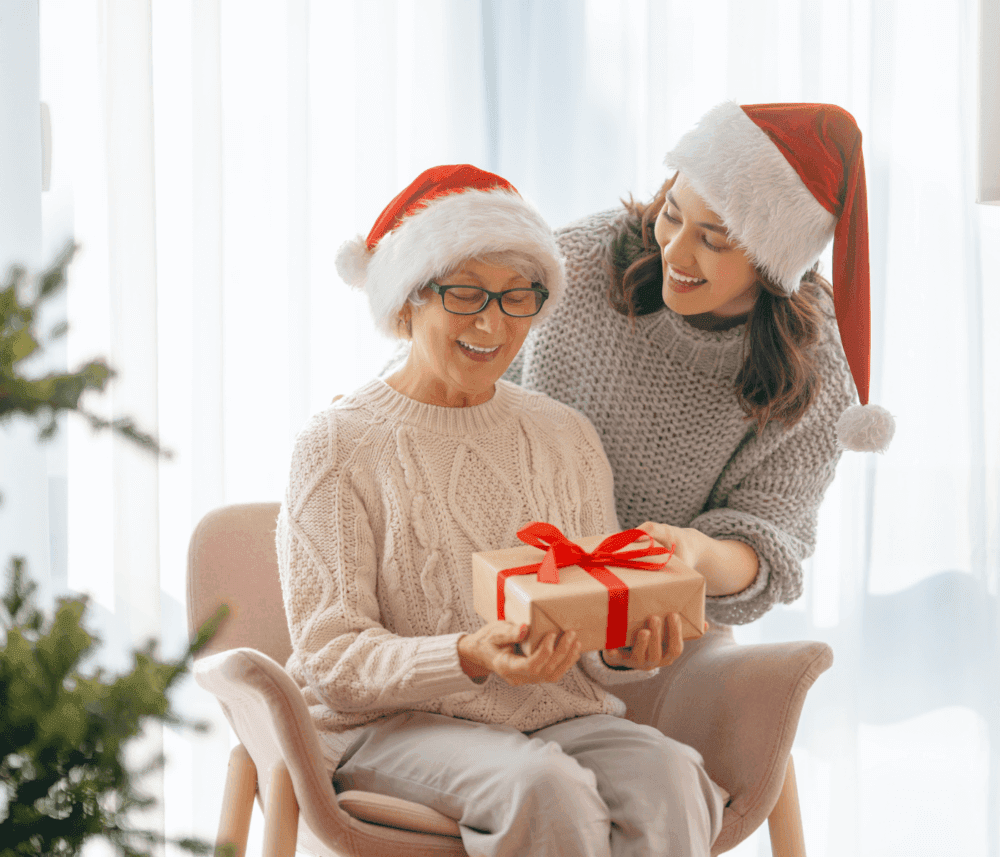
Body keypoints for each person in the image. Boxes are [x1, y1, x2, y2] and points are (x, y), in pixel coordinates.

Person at [276, 164, 728, 857]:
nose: (493, 323)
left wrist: (626, 647)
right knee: (543, 785)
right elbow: (332, 655)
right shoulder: (337, 444)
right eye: (466, 294)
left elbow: (591, 611)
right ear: (406, 302)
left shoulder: (564, 435)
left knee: (670, 773)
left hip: (556, 714)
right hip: (394, 724)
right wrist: (466, 653)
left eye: (518, 297)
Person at [507, 102, 895, 626]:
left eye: (713, 239)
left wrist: (693, 556)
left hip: (648, 613)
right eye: (671, 214)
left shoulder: (816, 363)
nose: (675, 252)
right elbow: (456, 372)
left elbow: (770, 536)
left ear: (773, 261)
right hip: (502, 563)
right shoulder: (580, 259)